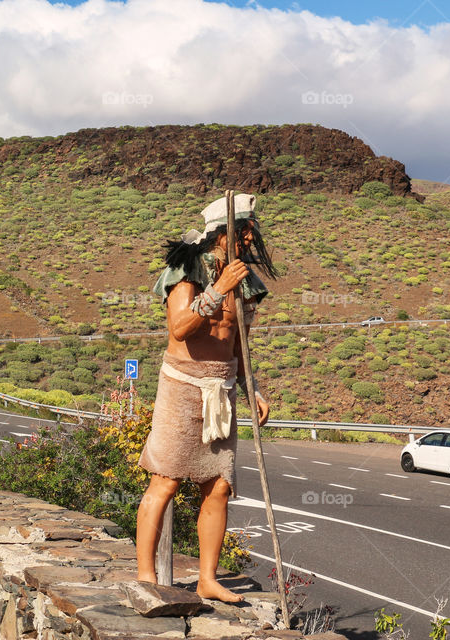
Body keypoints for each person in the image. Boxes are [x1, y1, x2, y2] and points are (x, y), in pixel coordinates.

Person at [136, 192, 278, 603]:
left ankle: (207, 579)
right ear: (231, 232)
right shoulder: (188, 265)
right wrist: (218, 288)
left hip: (224, 387)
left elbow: (239, 345)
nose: (251, 241)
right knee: (165, 480)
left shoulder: (247, 282)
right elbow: (180, 328)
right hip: (182, 384)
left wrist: (252, 390)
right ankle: (147, 575)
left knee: (218, 486)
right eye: (247, 232)